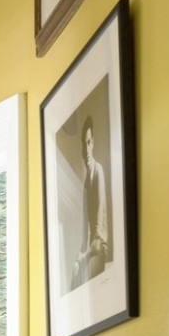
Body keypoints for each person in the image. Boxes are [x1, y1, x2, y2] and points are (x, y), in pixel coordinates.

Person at [70, 115, 108, 289]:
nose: (86, 149)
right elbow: (85, 231)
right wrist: (78, 257)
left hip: (98, 248)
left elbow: (98, 232)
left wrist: (84, 256)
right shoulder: (86, 183)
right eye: (83, 144)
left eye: (88, 143)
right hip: (89, 250)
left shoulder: (99, 171)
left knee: (84, 282)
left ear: (92, 144)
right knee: (74, 279)